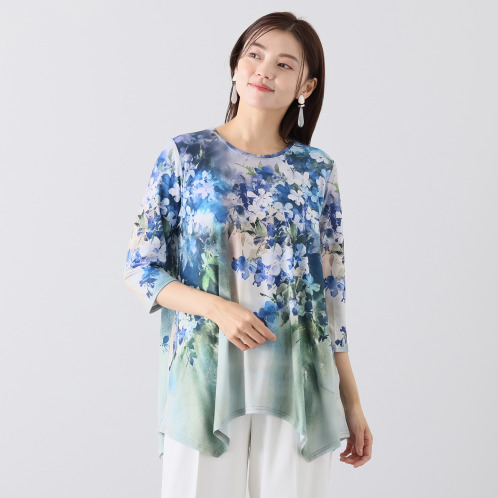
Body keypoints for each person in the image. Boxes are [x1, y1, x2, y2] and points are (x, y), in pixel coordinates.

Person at [123, 11, 373, 498]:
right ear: (236, 65)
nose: (264, 70)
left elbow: (331, 297)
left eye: (284, 64)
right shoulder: (187, 156)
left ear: (305, 86)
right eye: (255, 55)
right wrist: (220, 310)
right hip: (204, 377)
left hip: (299, 380)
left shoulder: (316, 171)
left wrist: (352, 400)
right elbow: (139, 268)